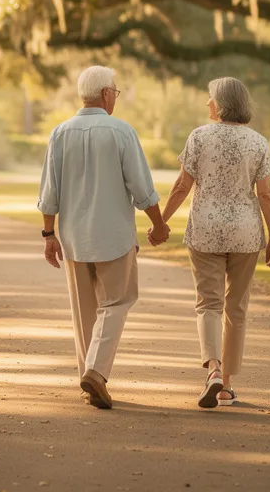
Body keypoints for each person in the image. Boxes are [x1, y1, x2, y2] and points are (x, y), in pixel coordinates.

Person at [37, 65, 171, 409]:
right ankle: (95, 372)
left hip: (74, 237)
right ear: (108, 94)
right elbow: (142, 188)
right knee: (117, 302)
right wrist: (158, 224)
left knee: (84, 312)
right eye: (116, 92)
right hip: (113, 235)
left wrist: (48, 234)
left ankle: (89, 379)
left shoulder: (60, 133)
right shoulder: (121, 131)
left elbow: (49, 192)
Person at [154, 76, 270, 409]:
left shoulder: (199, 137)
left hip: (206, 231)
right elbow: (265, 193)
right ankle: (226, 387)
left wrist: (160, 222)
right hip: (246, 233)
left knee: (209, 303)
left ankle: (213, 371)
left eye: (210, 98)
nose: (207, 104)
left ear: (221, 103)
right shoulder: (258, 142)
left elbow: (182, 186)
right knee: (236, 308)